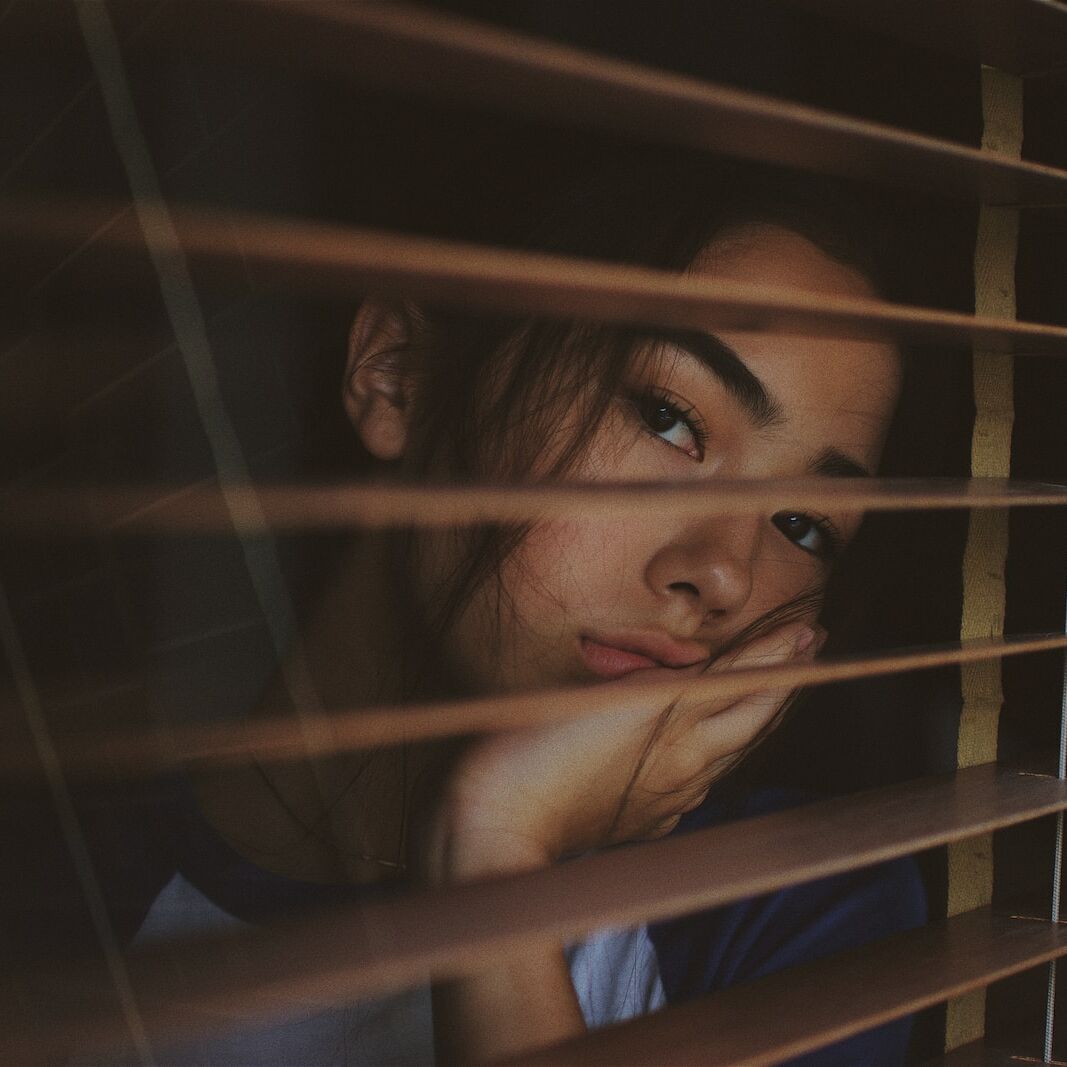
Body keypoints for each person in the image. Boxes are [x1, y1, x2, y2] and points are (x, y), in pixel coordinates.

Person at [124, 158, 926, 1065]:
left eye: (803, 524)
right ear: (399, 378)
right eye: (668, 418)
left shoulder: (788, 915)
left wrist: (494, 851)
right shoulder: (69, 883)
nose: (724, 575)